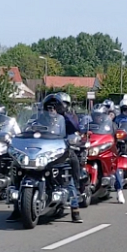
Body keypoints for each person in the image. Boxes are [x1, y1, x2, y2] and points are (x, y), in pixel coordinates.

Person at [43, 93, 83, 223]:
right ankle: (18, 206)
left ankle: (75, 209)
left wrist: (65, 115)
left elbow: (76, 127)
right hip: (43, 151)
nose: (51, 109)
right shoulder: (40, 119)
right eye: (49, 107)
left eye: (54, 107)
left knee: (67, 174)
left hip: (60, 151)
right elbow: (28, 128)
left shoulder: (66, 118)